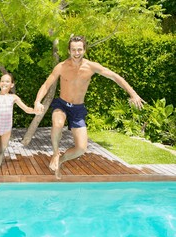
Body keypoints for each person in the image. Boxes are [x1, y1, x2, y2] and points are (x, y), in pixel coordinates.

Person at [34, 35, 146, 179]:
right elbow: (46, 85)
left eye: (79, 49)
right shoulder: (61, 67)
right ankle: (55, 153)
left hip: (78, 109)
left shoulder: (91, 67)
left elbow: (115, 77)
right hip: (62, 104)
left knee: (81, 148)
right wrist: (38, 101)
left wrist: (133, 94)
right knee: (57, 123)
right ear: (69, 50)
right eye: (73, 50)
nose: (76, 53)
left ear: (84, 50)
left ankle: (61, 160)